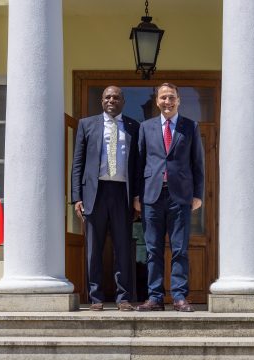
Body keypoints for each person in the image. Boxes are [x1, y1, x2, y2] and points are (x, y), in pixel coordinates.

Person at [135, 83, 204, 312]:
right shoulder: (146, 127)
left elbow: (198, 164)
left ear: (178, 100)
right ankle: (154, 297)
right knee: (153, 249)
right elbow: (139, 163)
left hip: (180, 197)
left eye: (171, 97)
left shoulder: (190, 127)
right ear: (157, 101)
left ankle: (179, 296)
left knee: (179, 249)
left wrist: (198, 195)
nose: (167, 101)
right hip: (151, 195)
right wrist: (137, 194)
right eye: (163, 97)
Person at [71, 86, 139, 311]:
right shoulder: (86, 125)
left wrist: (137, 196)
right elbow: (77, 164)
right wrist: (76, 197)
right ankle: (96, 298)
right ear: (102, 101)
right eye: (108, 97)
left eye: (116, 97)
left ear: (123, 101)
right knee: (94, 249)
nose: (112, 100)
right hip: (95, 193)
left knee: (123, 248)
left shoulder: (133, 127)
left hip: (122, 194)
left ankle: (123, 298)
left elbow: (138, 167)